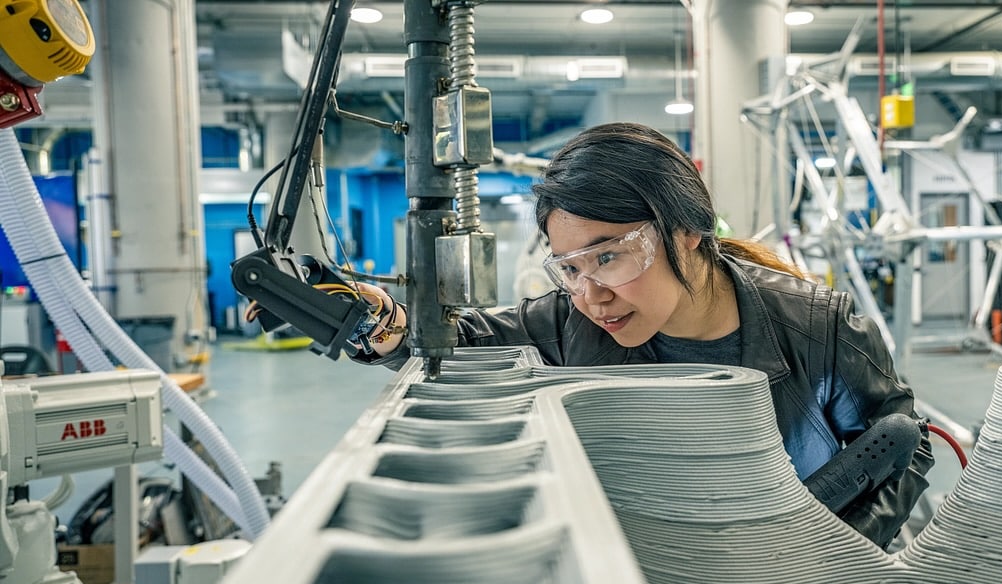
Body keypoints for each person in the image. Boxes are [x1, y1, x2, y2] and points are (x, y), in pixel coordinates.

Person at [353, 121, 933, 547]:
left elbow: (903, 445)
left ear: (686, 233)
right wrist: (378, 321)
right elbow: (455, 343)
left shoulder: (813, 326)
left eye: (609, 257)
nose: (591, 295)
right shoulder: (565, 322)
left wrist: (837, 552)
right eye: (571, 268)